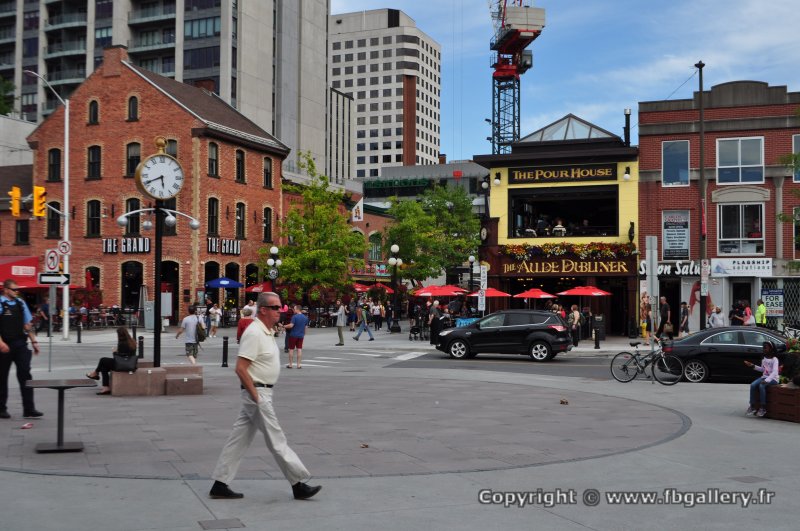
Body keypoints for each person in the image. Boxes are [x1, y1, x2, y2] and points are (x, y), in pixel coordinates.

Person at [209, 291, 321, 501]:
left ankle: (220, 483)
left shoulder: (266, 332)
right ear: (263, 310)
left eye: (280, 307)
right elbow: (241, 368)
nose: (281, 311)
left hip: (260, 391)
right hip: (257, 392)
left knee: (238, 440)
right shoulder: (254, 333)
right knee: (276, 439)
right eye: (276, 307)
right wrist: (256, 397)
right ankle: (298, 483)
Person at [0, 279, 43, 419]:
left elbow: (27, 325)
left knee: (25, 374)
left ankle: (29, 409)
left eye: (17, 290)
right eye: (13, 290)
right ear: (5, 289)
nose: (16, 292)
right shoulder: (0, 303)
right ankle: (1, 409)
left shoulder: (20, 303)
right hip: (3, 344)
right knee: (2, 377)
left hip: (20, 344)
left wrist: (34, 342)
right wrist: (0, 343)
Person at [86, 327, 137, 395]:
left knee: (102, 359)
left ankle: (95, 373)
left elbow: (118, 358)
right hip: (130, 364)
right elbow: (127, 354)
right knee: (104, 368)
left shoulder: (122, 343)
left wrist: (114, 352)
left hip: (122, 365)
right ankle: (105, 387)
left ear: (119, 335)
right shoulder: (132, 341)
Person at [745, 341, 780, 417]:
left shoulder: (775, 359)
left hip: (773, 379)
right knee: (753, 385)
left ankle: (763, 408)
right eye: (763, 348)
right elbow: (763, 370)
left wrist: (767, 380)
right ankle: (752, 406)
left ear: (771, 349)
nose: (763, 349)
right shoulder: (764, 359)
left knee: (761, 385)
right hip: (764, 377)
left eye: (765, 348)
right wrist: (752, 366)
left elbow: (774, 372)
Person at [284, 305, 309, 369]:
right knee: (299, 349)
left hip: (293, 335)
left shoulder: (294, 317)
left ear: (298, 309)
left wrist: (284, 326)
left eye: (294, 309)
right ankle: (298, 365)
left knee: (291, 349)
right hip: (301, 335)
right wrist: (304, 334)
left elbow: (291, 325)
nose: (294, 310)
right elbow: (306, 327)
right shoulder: (305, 317)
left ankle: (290, 364)